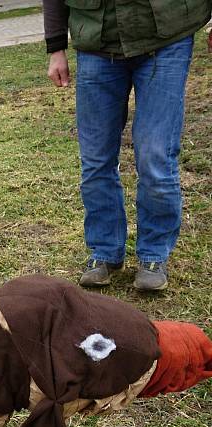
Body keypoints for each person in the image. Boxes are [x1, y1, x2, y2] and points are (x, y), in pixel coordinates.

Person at [43, 0, 212, 290]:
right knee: (96, 159)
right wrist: (55, 46)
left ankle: (154, 255)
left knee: (155, 156)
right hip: (98, 41)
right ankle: (105, 253)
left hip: (166, 37)